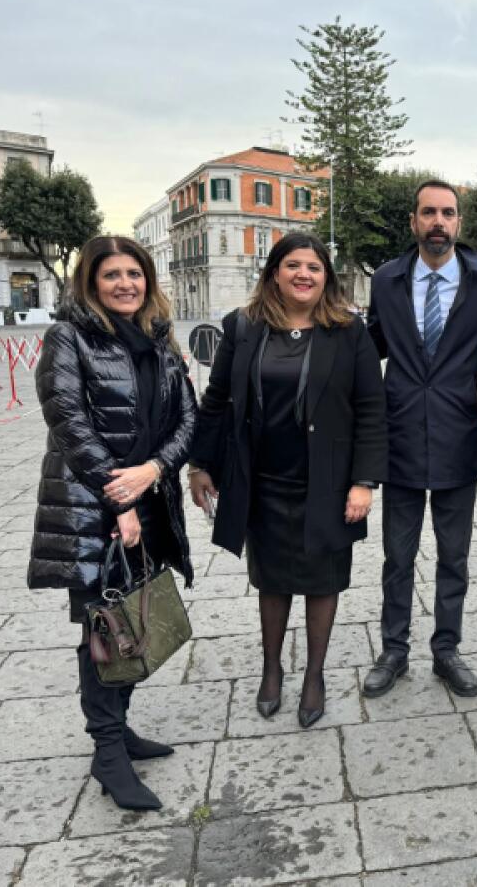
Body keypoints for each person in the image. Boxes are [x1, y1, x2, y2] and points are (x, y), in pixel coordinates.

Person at [188, 233, 387, 728]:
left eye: (314, 267)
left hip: (329, 480)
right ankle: (272, 669)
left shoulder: (348, 331)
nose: (304, 274)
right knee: (271, 580)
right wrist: (199, 464)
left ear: (327, 277)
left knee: (323, 581)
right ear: (274, 272)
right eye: (293, 265)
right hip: (263, 480)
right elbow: (216, 401)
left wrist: (364, 481)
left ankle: (315, 675)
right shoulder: (244, 327)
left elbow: (371, 408)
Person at [28, 235, 196, 811]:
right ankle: (107, 752)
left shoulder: (158, 341)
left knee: (129, 619)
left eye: (134, 274)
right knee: (103, 628)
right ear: (90, 283)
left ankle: (118, 731)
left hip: (147, 499)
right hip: (93, 508)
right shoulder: (68, 338)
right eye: (112, 276)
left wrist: (152, 470)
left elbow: (187, 420)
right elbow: (69, 422)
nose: (126, 284)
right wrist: (118, 499)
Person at [363, 179, 477, 699]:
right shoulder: (386, 280)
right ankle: (394, 651)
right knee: (397, 558)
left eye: (447, 213)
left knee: (455, 557)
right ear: (413, 222)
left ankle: (447, 649)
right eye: (428, 213)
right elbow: (370, 344)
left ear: (459, 223)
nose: (438, 223)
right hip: (398, 439)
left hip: (459, 439)